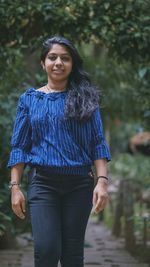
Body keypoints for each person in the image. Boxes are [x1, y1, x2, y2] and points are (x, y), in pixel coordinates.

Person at [7, 36, 111, 267]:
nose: (58, 63)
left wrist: (102, 181)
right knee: (46, 250)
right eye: (52, 57)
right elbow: (19, 146)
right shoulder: (29, 100)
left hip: (79, 184)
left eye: (65, 58)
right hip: (43, 183)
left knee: (73, 256)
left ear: (72, 64)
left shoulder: (86, 98)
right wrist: (15, 187)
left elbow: (97, 142)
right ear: (43, 63)